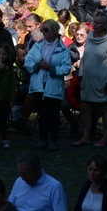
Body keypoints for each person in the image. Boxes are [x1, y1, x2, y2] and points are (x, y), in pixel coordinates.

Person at [73, 12, 107, 148]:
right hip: (88, 80)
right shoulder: (90, 38)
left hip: (103, 81)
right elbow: (85, 58)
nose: (95, 24)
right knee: (85, 107)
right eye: (95, 22)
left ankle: (105, 137)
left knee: (105, 109)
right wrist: (81, 75)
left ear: (105, 25)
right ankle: (86, 136)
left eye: (99, 23)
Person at [24, 19, 72, 151]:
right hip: (38, 85)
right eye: (42, 30)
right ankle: (43, 139)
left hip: (54, 86)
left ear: (54, 31)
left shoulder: (62, 49)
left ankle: (53, 140)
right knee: (42, 114)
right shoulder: (37, 46)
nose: (43, 32)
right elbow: (28, 62)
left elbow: (66, 68)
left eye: (46, 30)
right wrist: (37, 65)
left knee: (53, 115)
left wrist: (52, 68)